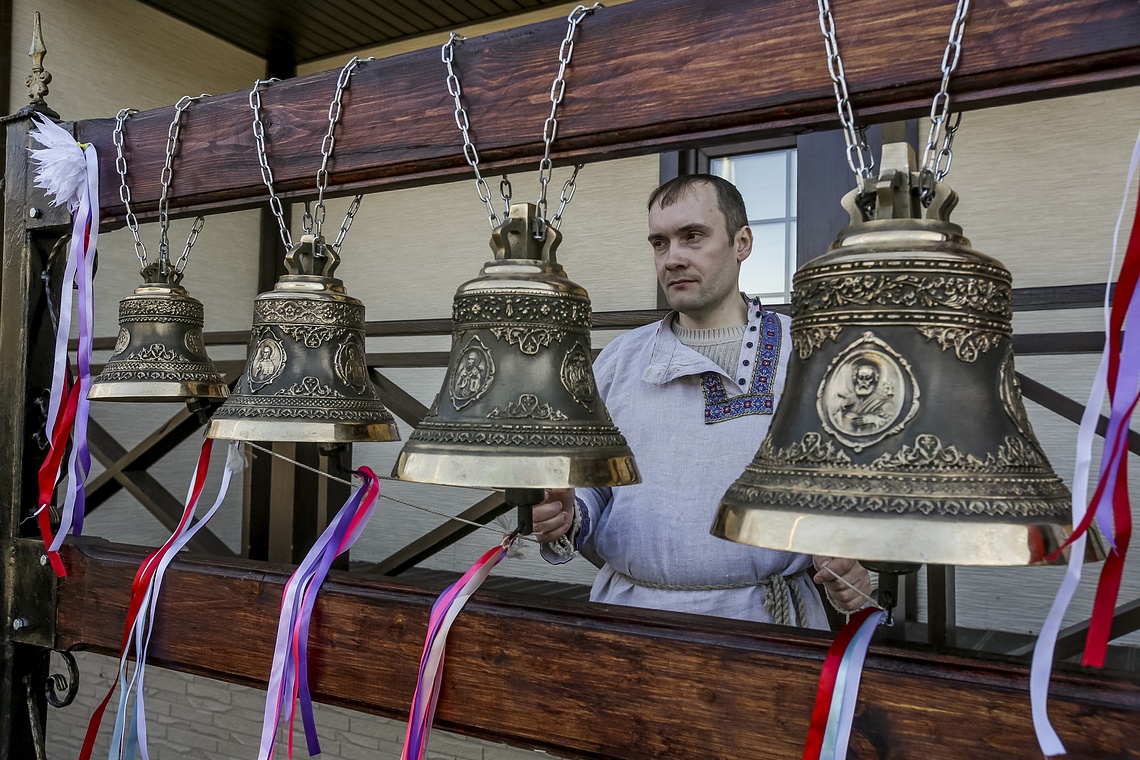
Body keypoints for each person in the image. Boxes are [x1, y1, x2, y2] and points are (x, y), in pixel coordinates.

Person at [532, 173, 871, 628]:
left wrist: (853, 556)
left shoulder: (809, 354)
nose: (672, 259)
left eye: (692, 237)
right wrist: (571, 512)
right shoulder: (619, 361)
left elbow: (855, 482)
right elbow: (595, 483)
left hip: (767, 623)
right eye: (659, 243)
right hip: (631, 617)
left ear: (742, 243)